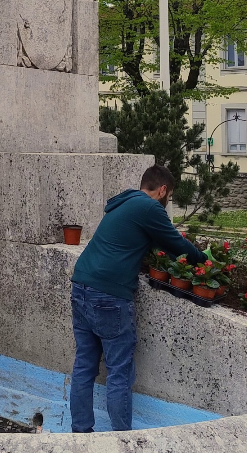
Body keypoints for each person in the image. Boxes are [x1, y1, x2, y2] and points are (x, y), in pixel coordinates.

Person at [69, 164, 207, 433]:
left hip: (81, 285)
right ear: (163, 190)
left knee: (84, 366)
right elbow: (175, 243)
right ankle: (123, 443)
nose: (168, 202)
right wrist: (203, 260)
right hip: (109, 295)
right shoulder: (150, 208)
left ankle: (80, 433)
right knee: (119, 373)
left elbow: (143, 241)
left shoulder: (125, 202)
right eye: (170, 196)